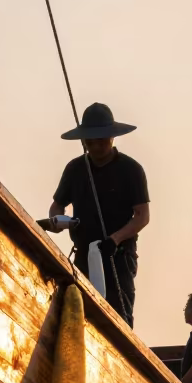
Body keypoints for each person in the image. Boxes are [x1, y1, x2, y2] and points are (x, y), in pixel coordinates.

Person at [45, 102, 150, 325]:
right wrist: (59, 222)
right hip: (83, 256)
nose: (96, 146)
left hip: (118, 257)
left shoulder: (131, 170)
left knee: (119, 319)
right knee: (77, 316)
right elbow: (57, 206)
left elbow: (142, 216)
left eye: (101, 140)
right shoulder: (75, 169)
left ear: (112, 138)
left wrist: (115, 239)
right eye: (90, 141)